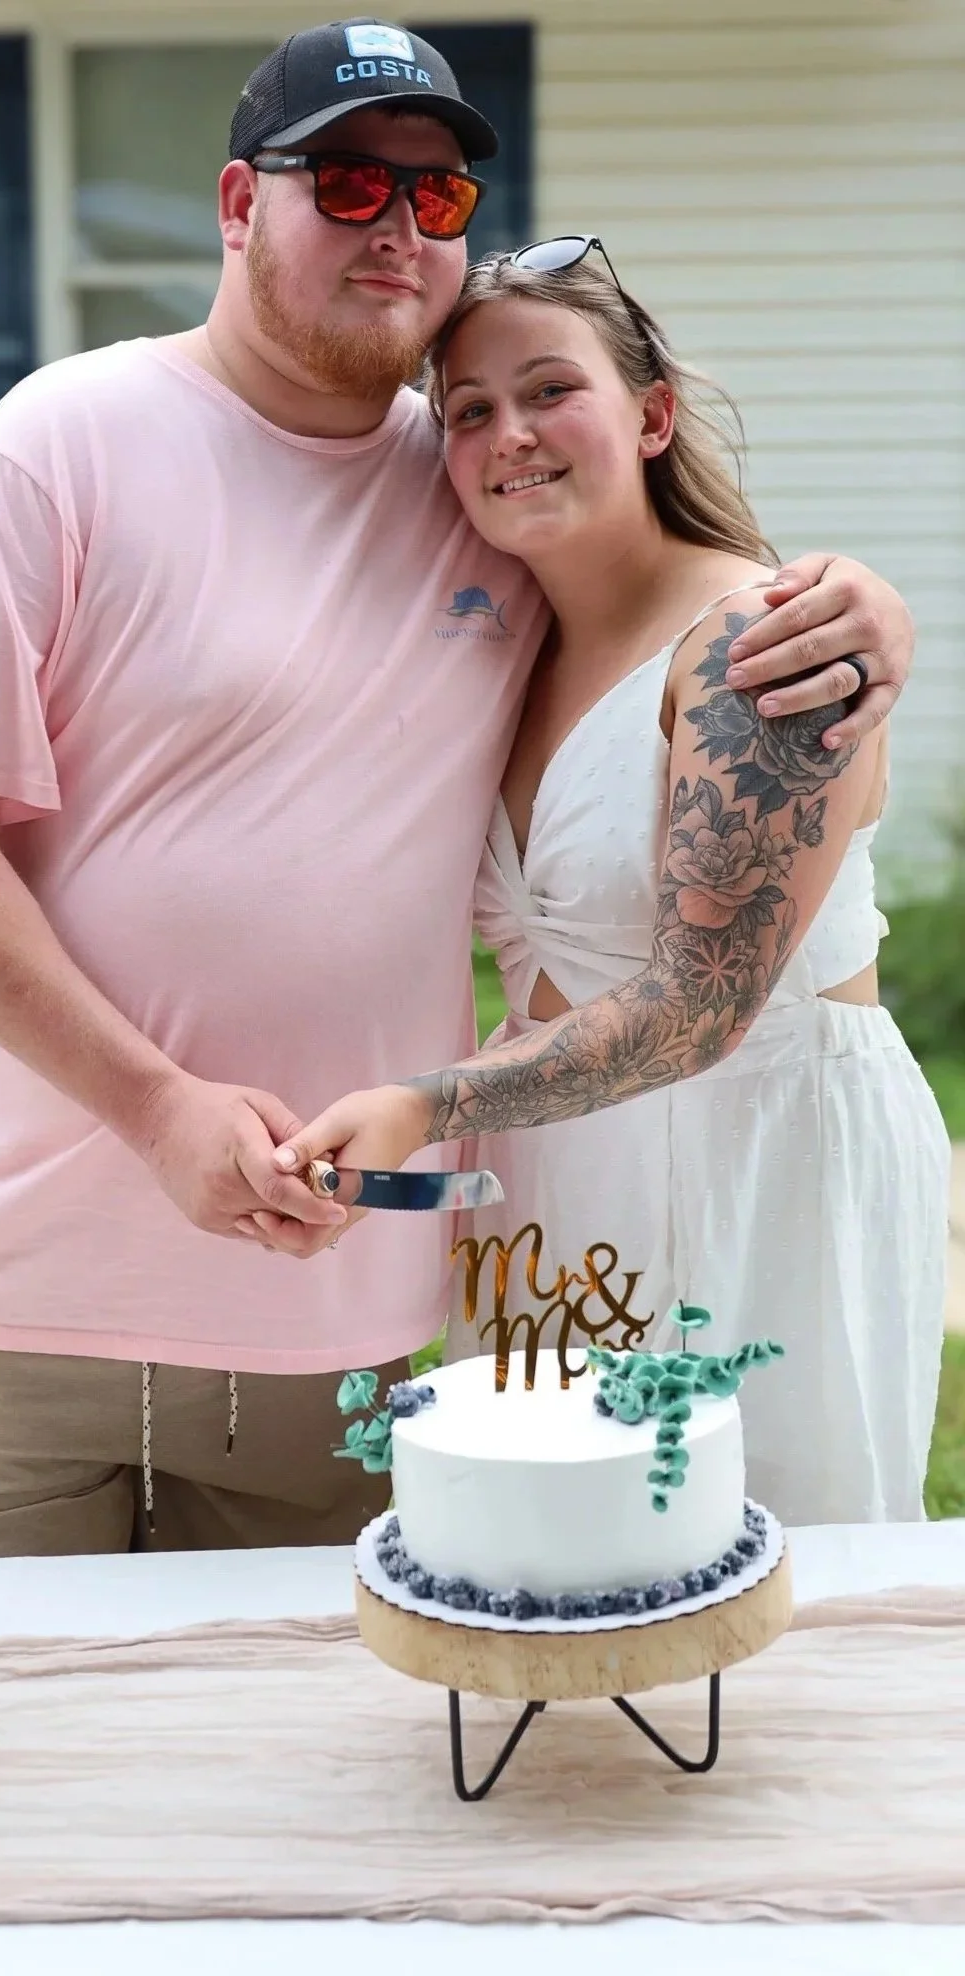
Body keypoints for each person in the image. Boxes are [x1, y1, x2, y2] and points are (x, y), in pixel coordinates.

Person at [0, 20, 917, 1563]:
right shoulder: (52, 452)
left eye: (438, 196)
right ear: (232, 204)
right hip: (2, 1298)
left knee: (350, 1765)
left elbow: (686, 603)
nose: (398, 223)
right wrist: (155, 1107)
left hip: (332, 1303)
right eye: (344, 181)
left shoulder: (475, 487)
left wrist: (862, 602)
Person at [272, 240, 950, 1527]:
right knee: (549, 1551)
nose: (509, 432)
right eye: (469, 409)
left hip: (763, 1156)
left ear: (651, 415)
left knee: (759, 1562)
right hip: (552, 1173)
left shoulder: (764, 644)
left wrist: (422, 1104)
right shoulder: (500, 658)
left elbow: (701, 1005)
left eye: (548, 390)